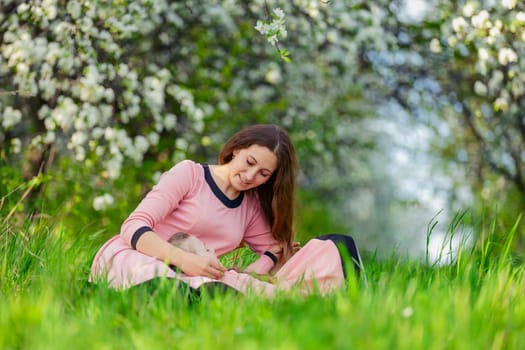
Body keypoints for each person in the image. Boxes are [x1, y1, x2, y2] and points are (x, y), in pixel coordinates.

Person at [90, 124, 366, 296]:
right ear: (236, 149)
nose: (250, 175)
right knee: (172, 286)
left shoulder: (251, 205)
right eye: (249, 162)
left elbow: (277, 259)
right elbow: (133, 227)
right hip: (143, 259)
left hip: (199, 276)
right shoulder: (190, 174)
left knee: (337, 246)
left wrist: (274, 255)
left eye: (263, 173)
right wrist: (181, 258)